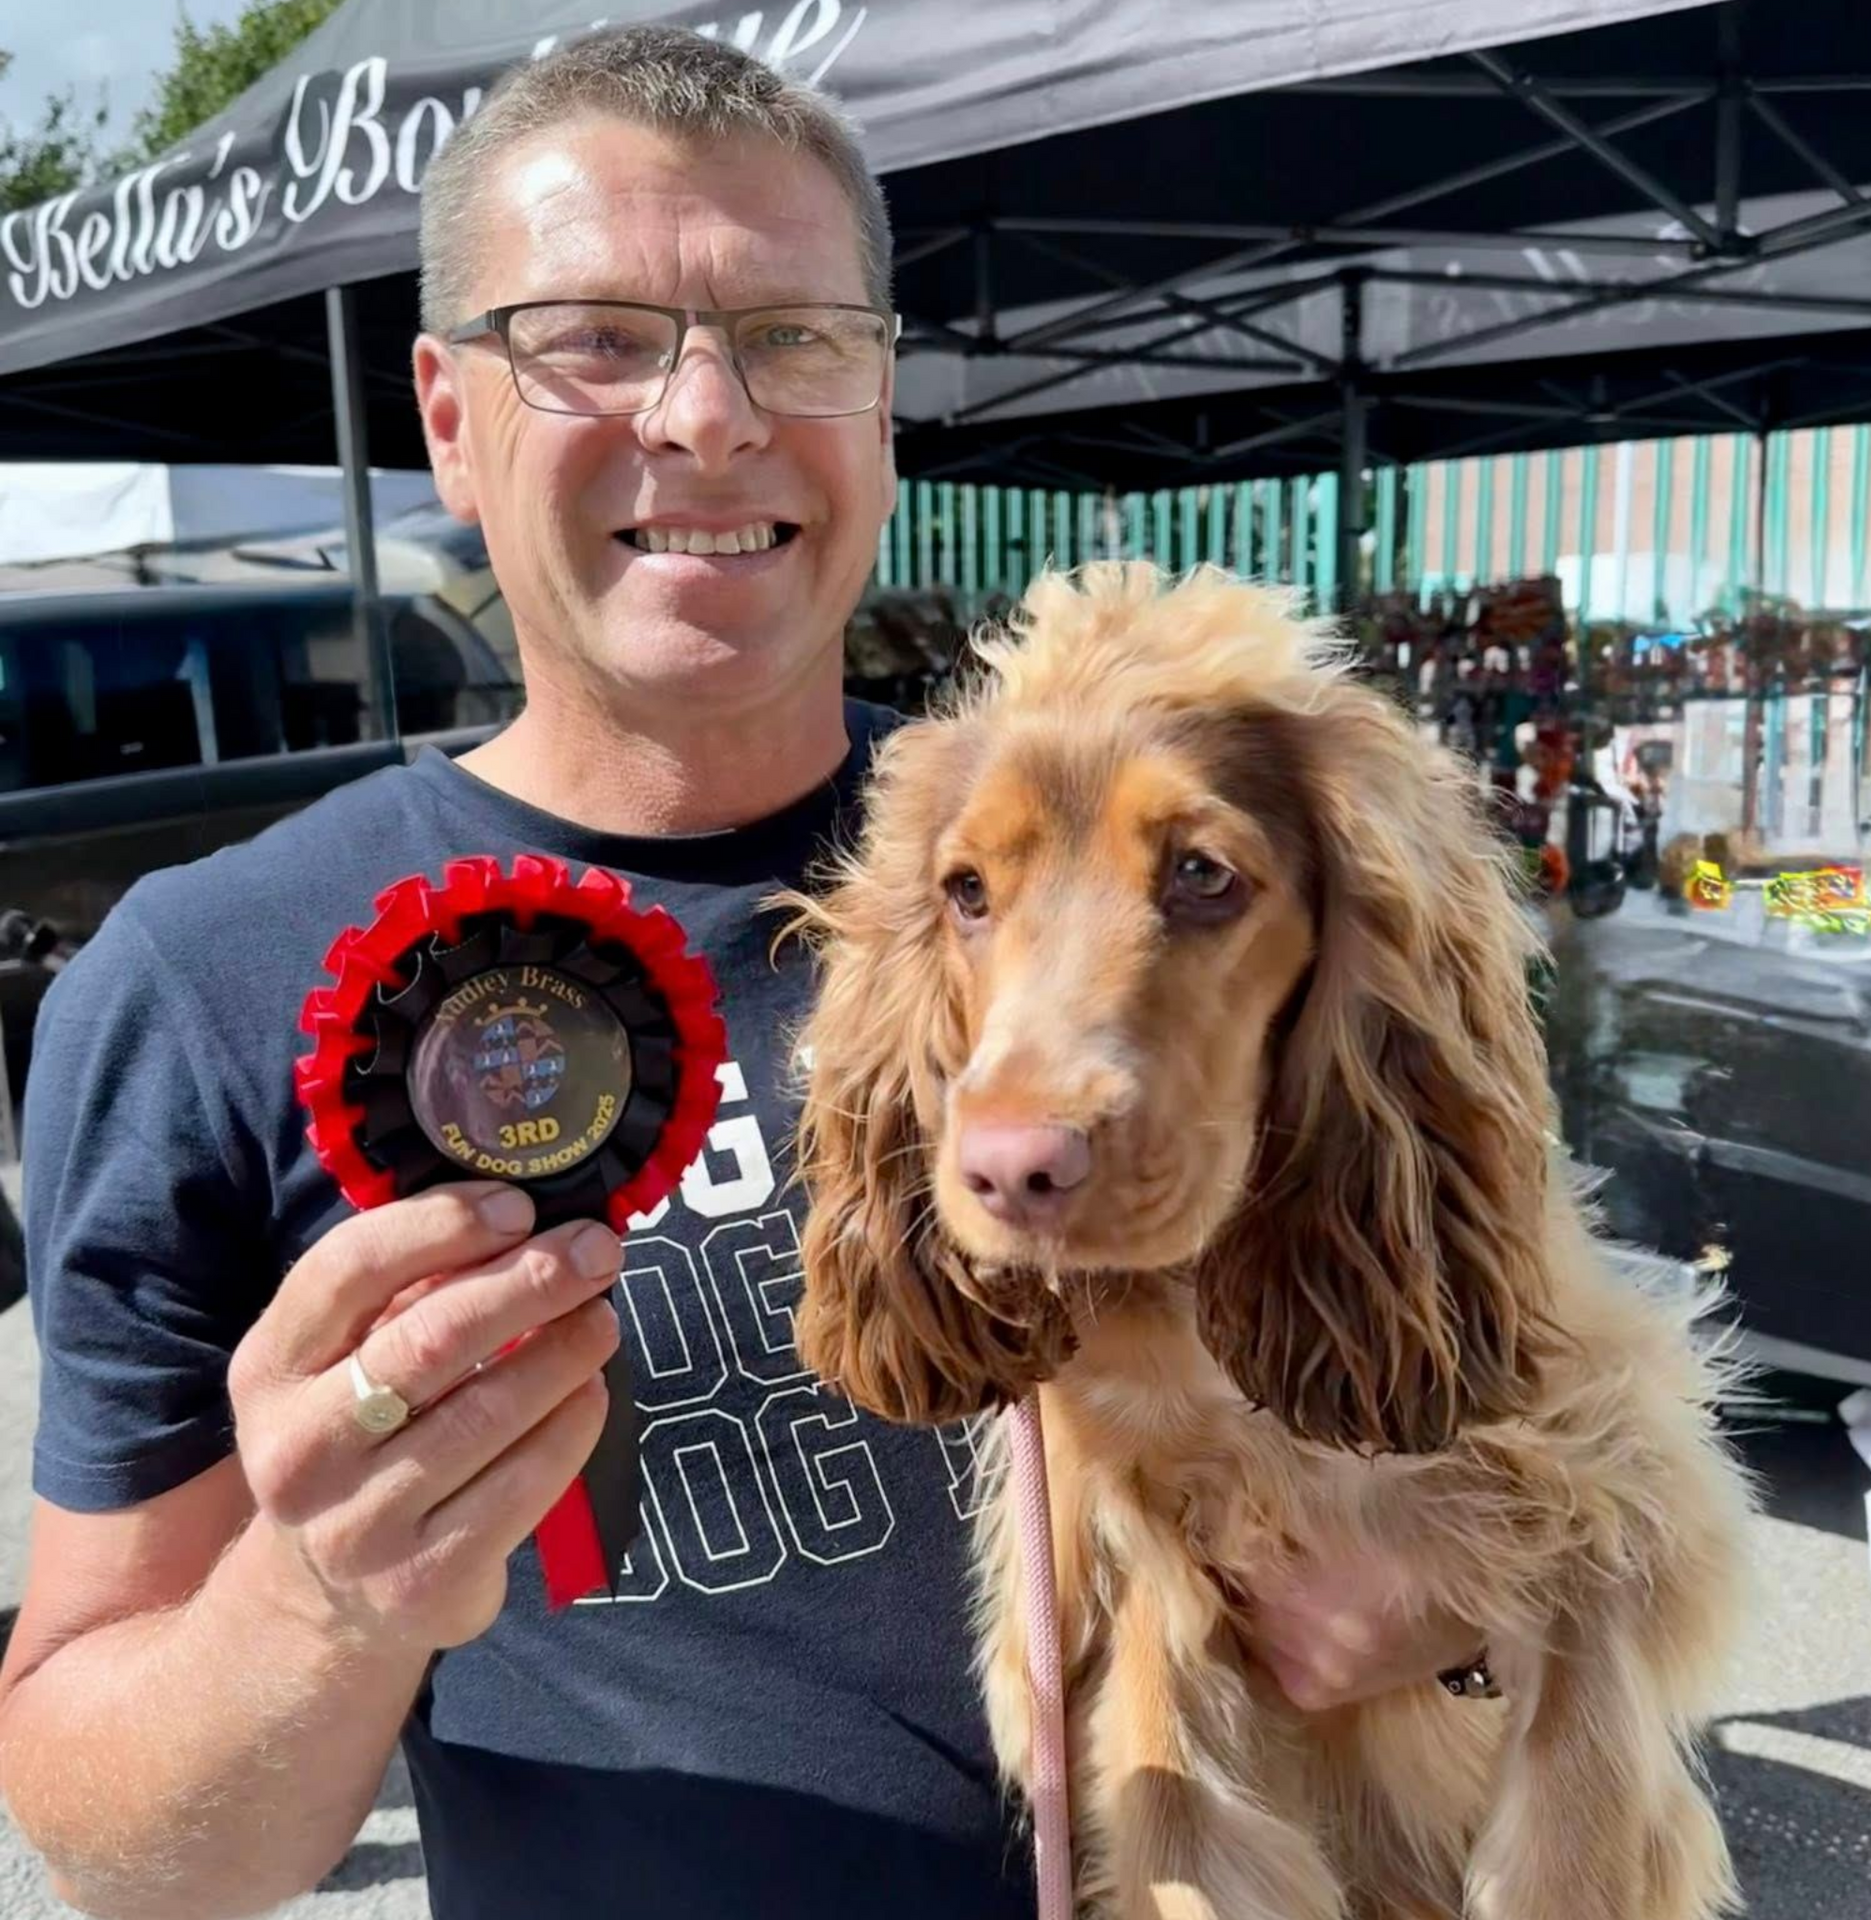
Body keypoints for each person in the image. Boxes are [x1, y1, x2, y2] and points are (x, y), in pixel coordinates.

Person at [0, 28, 1479, 1920]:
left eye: (794, 336)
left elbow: (1522, 1392)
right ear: (448, 417)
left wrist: (1452, 1606)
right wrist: (322, 1602)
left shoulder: (1160, 864)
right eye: (596, 339)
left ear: (880, 406)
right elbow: (126, 1849)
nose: (708, 415)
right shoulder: (204, 989)